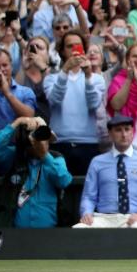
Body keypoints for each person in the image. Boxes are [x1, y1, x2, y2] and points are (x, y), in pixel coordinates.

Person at [74, 114, 137, 229]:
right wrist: (86, 213)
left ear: (133, 132)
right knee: (79, 228)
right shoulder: (97, 162)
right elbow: (89, 196)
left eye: (127, 129)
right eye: (118, 130)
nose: (124, 135)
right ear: (110, 134)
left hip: (133, 217)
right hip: (104, 218)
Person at [0, 116, 72, 227]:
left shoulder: (56, 158)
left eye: (44, 138)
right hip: (17, 233)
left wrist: (44, 155)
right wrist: (17, 122)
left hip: (49, 232)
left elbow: (64, 181)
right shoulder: (16, 156)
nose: (41, 142)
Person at [44, 31, 106, 175]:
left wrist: (88, 75)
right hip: (59, 143)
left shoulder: (97, 78)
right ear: (62, 51)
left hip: (88, 143)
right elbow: (56, 99)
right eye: (69, 46)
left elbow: (93, 104)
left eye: (77, 46)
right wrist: (65, 71)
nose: (74, 50)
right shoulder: (51, 79)